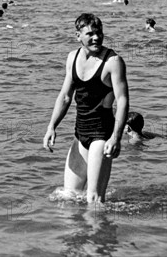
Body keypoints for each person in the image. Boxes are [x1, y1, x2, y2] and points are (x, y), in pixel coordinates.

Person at [43, 13, 129, 204]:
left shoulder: (113, 62)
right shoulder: (72, 58)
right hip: (80, 133)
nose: (96, 37)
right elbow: (65, 97)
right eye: (90, 34)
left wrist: (116, 137)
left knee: (94, 199)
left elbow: (122, 101)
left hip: (102, 134)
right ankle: (81, 234)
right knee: (68, 196)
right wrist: (51, 127)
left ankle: (101, 232)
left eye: (99, 33)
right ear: (78, 36)